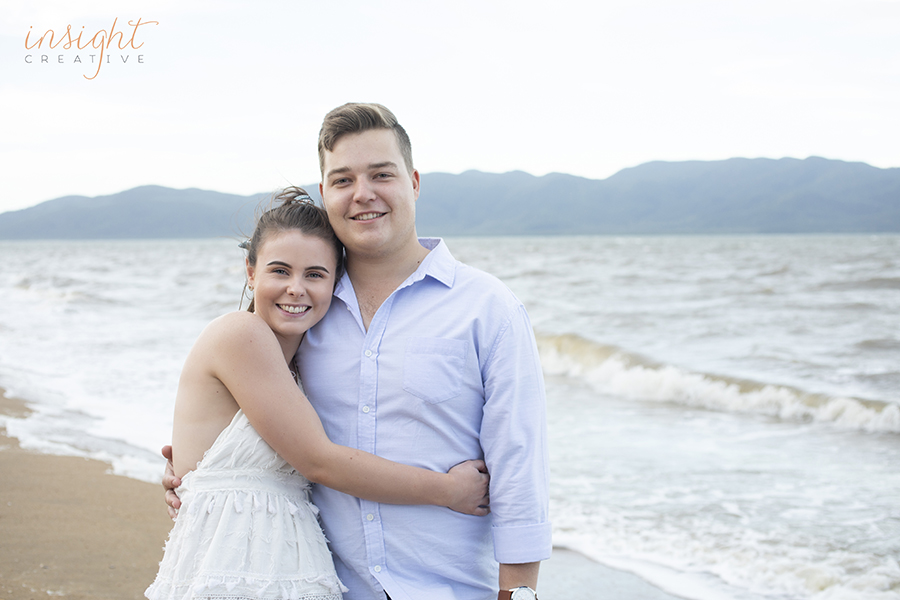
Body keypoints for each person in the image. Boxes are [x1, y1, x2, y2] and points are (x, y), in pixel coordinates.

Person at [166, 104, 551, 600]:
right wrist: (197, 476)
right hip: (324, 585)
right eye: (343, 179)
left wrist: (520, 593)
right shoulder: (307, 315)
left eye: (381, 174)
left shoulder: (488, 308)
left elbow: (519, 467)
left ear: (412, 182)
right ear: (325, 193)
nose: (363, 193)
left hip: (450, 590)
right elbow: (260, 422)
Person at [148, 188, 490, 600]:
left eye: (314, 274)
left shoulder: (298, 366)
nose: (296, 288)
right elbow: (319, 461)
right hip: (235, 567)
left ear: (335, 282)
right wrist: (448, 490)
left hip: (281, 562)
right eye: (279, 271)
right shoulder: (241, 334)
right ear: (251, 272)